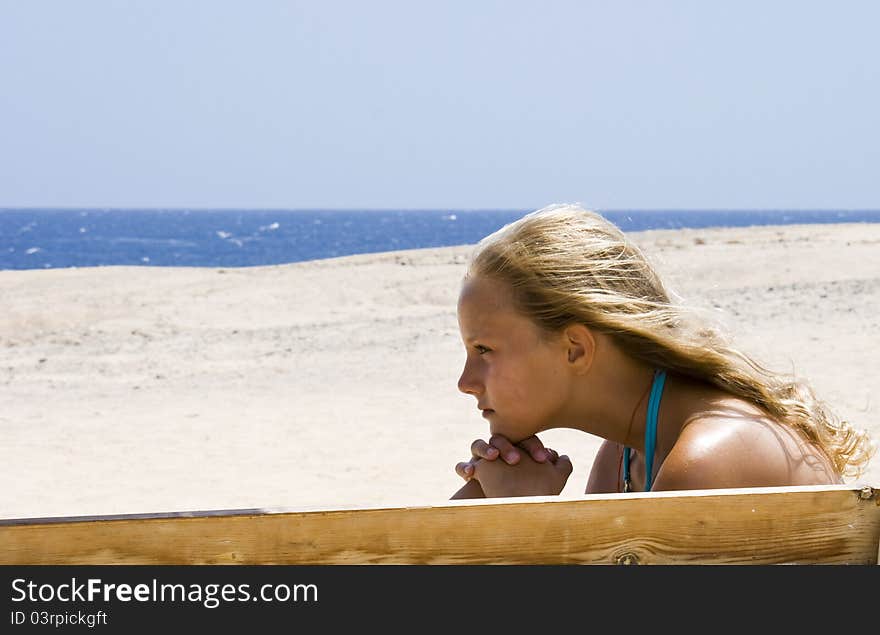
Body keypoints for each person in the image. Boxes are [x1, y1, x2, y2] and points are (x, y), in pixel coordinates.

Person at [450, 204, 874, 499]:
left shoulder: (707, 462)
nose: (465, 383)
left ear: (576, 349)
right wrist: (483, 498)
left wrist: (525, 518)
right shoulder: (623, 458)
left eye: (484, 349)